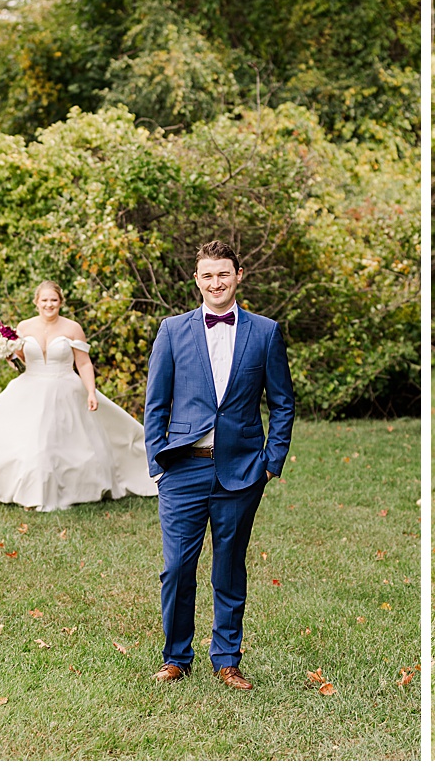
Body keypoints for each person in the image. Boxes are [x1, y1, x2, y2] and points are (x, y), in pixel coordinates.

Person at [144, 241, 294, 689]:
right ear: (197, 280)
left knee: (229, 566)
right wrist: (157, 462)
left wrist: (272, 461)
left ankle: (226, 658)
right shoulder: (172, 330)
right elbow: (156, 402)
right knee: (177, 567)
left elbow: (283, 403)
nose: (216, 283)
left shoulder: (265, 332)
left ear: (239, 275)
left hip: (242, 471)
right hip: (183, 468)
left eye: (223, 274)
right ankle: (176, 656)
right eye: (208, 276)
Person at [0, 281, 158, 511]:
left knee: (58, 444)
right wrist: (8, 356)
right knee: (23, 441)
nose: (49, 304)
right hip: (30, 387)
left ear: (60, 302)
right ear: (36, 302)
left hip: (65, 388)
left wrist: (91, 392)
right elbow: (21, 359)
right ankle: (6, 486)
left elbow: (83, 363)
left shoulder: (72, 328)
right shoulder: (23, 327)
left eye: (53, 300)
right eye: (44, 300)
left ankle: (62, 491)